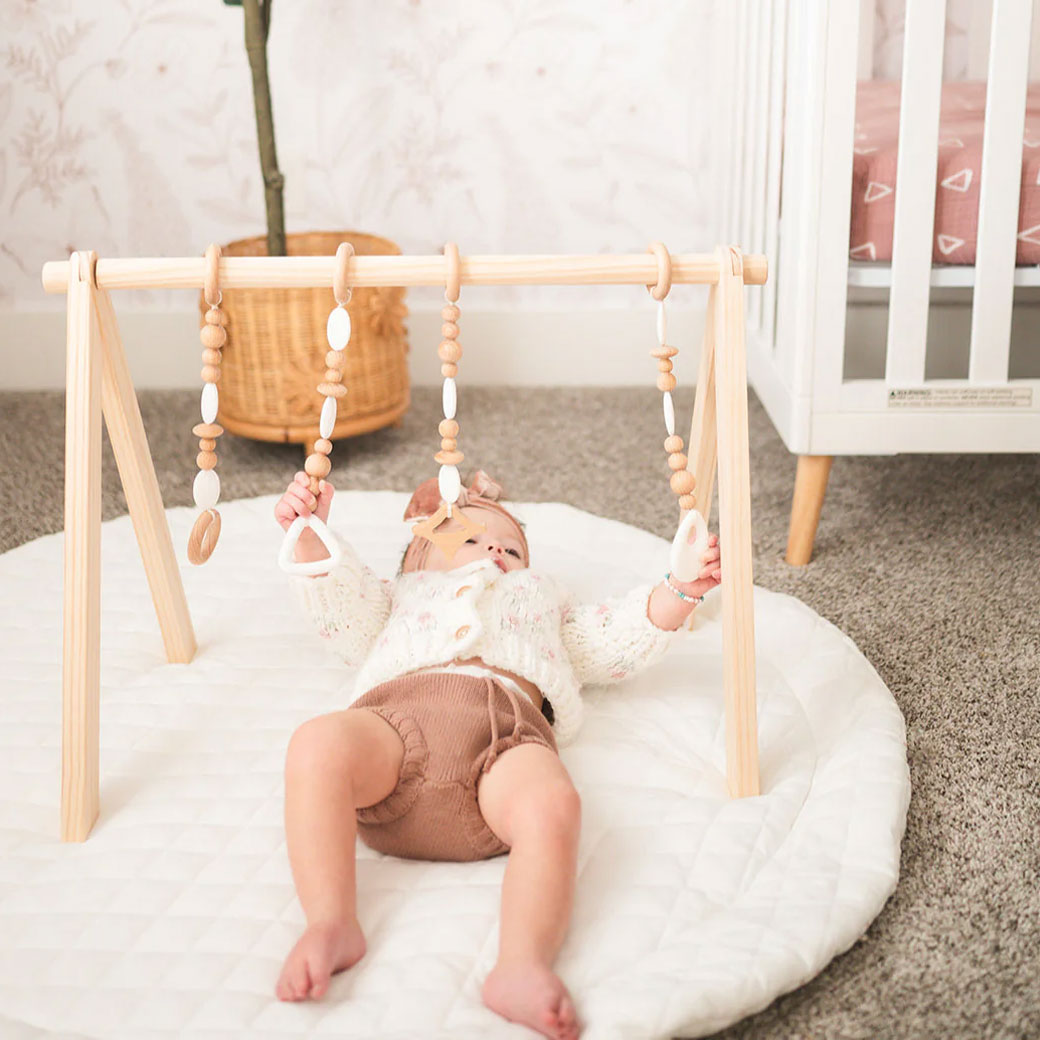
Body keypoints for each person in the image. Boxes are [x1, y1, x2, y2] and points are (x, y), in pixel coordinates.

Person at [272, 469, 722, 1040]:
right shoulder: (401, 597)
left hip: (502, 746)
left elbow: (613, 638)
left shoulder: (541, 603)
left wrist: (679, 590)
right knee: (316, 744)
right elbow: (340, 605)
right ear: (416, 563)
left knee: (554, 804)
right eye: (470, 541)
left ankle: (521, 963)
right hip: (394, 730)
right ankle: (330, 921)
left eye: (511, 547)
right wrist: (310, 534)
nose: (494, 550)